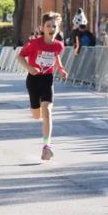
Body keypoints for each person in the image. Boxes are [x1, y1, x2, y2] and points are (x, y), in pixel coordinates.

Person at [17, 12, 67, 161]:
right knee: (36, 115)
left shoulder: (59, 45)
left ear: (57, 29)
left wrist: (61, 68)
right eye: (48, 26)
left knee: (47, 111)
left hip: (47, 79)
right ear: (42, 28)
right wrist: (29, 68)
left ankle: (47, 146)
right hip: (33, 79)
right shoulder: (34, 43)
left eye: (54, 26)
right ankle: (34, 109)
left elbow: (55, 56)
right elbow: (20, 56)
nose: (51, 28)